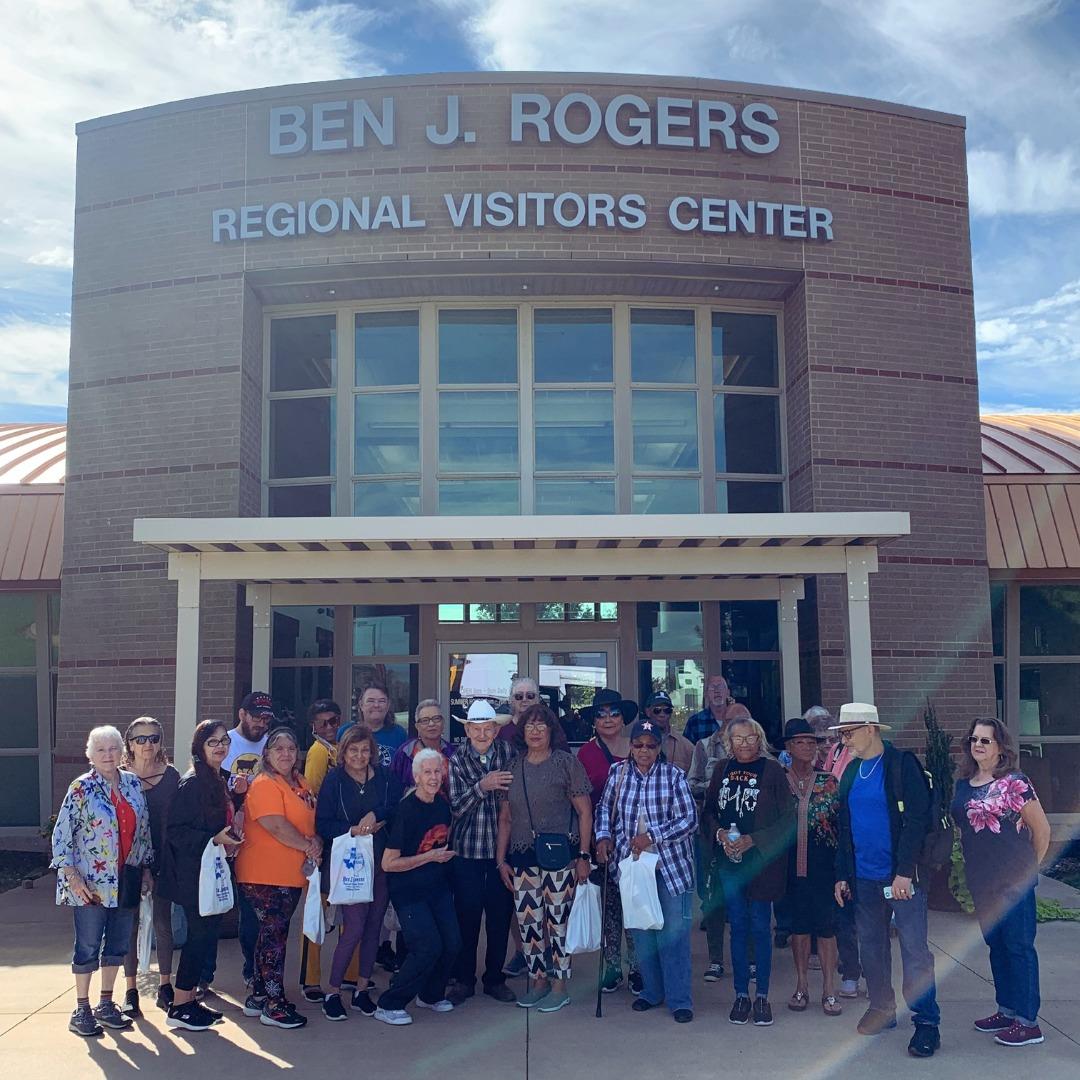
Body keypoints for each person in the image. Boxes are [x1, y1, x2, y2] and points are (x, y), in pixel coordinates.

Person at [833, 702, 942, 1058]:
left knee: (914, 951)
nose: (845, 740)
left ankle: (926, 1021)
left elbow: (916, 821)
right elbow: (843, 828)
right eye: (842, 734)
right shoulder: (850, 772)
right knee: (872, 948)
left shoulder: (900, 765)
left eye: (848, 733)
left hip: (901, 878)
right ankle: (881, 1008)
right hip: (863, 878)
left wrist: (905, 871)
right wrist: (841, 875)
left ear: (871, 729)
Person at [953, 716, 1051, 1047]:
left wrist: (1028, 871)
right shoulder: (964, 783)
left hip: (1013, 883)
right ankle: (1007, 1010)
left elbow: (1042, 830)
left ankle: (1028, 1022)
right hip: (982, 883)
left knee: (1019, 947)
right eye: (974, 739)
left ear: (1000, 747)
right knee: (997, 946)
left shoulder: (1015, 783)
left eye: (985, 740)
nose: (977, 745)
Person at [51, 725, 153, 1037]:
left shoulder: (134, 784)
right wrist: (71, 876)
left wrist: (146, 868)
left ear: (122, 751)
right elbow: (61, 835)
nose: (108, 755)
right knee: (88, 944)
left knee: (119, 943)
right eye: (100, 750)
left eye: (112, 749)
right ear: (90, 755)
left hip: (127, 878)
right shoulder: (81, 788)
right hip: (90, 883)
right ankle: (81, 1008)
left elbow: (144, 831)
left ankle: (106, 1004)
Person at [595, 718, 698, 1023]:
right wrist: (603, 836)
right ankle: (651, 992)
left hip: (669, 867)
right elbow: (604, 808)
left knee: (673, 934)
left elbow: (689, 819)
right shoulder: (618, 773)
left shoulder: (673, 776)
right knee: (642, 933)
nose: (643, 751)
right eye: (638, 745)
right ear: (631, 746)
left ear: (659, 748)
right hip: (633, 867)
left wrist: (652, 835)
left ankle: (680, 999)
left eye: (650, 746)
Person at [496, 703, 593, 1013]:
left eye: (542, 725)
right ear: (522, 732)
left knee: (558, 921)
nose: (536, 731)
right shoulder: (513, 767)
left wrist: (583, 856)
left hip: (560, 855)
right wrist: (501, 860)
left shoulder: (566, 764)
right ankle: (538, 981)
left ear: (552, 730)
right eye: (530, 725)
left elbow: (584, 811)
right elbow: (506, 819)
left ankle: (560, 985)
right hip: (523, 855)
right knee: (529, 923)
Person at [702, 716, 794, 1028]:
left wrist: (754, 839)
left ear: (759, 739)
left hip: (762, 864)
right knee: (737, 928)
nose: (744, 744)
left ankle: (762, 996)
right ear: (728, 742)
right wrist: (720, 837)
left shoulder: (773, 771)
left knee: (760, 928)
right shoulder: (722, 769)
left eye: (749, 738)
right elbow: (709, 812)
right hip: (730, 865)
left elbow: (788, 820)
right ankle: (741, 994)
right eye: (737, 738)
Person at [156, 719, 243, 1031]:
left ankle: (189, 1000)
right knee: (198, 938)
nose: (220, 746)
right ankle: (179, 1006)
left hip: (213, 870)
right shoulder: (192, 783)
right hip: (192, 875)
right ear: (199, 748)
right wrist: (214, 838)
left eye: (223, 741)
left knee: (206, 937)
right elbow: (177, 832)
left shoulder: (221, 779)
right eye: (212, 742)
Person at [235, 727, 322, 1029]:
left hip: (291, 874)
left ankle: (259, 994)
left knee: (268, 935)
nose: (285, 753)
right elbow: (276, 826)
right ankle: (274, 1004)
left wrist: (315, 841)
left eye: (290, 747)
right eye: (278, 748)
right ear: (267, 754)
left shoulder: (300, 782)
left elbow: (308, 820)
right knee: (274, 939)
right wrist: (309, 845)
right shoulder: (263, 784)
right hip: (265, 876)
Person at [315, 724, 402, 1020]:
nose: (360, 756)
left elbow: (396, 805)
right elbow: (322, 824)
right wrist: (351, 829)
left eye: (365, 750)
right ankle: (332, 991)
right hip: (350, 865)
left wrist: (377, 815)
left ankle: (362, 990)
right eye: (353, 750)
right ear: (343, 752)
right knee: (353, 928)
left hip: (380, 863)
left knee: (374, 928)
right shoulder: (334, 781)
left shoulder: (386, 779)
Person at [374, 748, 461, 1026]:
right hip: (408, 891)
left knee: (452, 943)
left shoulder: (442, 806)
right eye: (428, 772)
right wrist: (430, 857)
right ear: (416, 776)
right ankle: (389, 1003)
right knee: (427, 947)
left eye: (438, 771)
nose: (434, 777)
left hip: (437, 888)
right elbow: (389, 863)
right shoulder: (406, 810)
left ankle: (431, 995)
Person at [445, 700, 518, 1006]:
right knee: (467, 919)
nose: (483, 733)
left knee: (500, 918)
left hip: (501, 852)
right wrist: (483, 786)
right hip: (467, 852)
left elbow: (516, 797)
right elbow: (456, 807)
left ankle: (494, 979)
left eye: (488, 728)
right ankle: (465, 980)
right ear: (467, 729)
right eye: (477, 728)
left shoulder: (508, 754)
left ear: (496, 729)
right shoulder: (457, 759)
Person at [577, 687, 640, 994]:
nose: (608, 719)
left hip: (638, 838)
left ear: (623, 717)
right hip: (604, 840)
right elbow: (582, 799)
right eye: (601, 714)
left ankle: (639, 966)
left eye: (614, 713)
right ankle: (613, 966)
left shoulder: (640, 745)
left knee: (636, 905)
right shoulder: (586, 753)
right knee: (611, 907)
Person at [119, 716, 180, 1016]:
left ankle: (165, 986)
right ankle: (130, 990)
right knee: (129, 925)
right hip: (127, 862)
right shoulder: (117, 776)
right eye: (140, 739)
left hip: (164, 859)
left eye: (153, 738)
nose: (147, 745)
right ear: (129, 743)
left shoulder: (172, 777)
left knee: (162, 922)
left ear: (161, 742)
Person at [780, 718, 842, 1016]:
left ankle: (830, 989)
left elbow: (842, 826)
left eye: (811, 742)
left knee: (827, 927)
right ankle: (802, 985)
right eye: (800, 742)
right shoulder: (779, 780)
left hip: (824, 866)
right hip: (790, 866)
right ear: (788, 747)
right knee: (799, 926)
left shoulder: (828, 780)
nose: (807, 747)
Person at [687, 702, 753, 979]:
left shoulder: (760, 753)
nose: (737, 727)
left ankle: (749, 960)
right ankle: (716, 959)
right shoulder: (704, 746)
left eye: (743, 721)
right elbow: (691, 784)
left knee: (749, 897)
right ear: (723, 723)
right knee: (713, 897)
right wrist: (718, 783)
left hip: (748, 837)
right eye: (731, 722)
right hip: (712, 831)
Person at [220, 690, 275, 990]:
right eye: (256, 716)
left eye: (266, 717)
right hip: (234, 839)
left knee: (263, 910)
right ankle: (247, 968)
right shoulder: (224, 743)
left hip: (268, 836)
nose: (261, 722)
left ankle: (261, 968)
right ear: (242, 714)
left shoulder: (273, 745)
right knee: (240, 907)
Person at [806, 704, 862, 998]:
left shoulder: (860, 757)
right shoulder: (834, 756)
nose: (830, 743)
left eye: (835, 737)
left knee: (859, 913)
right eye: (824, 740)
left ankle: (861, 971)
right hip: (837, 841)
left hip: (860, 841)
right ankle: (850, 972)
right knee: (843, 910)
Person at [299, 698, 344, 1003]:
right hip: (323, 843)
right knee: (318, 909)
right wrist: (315, 844)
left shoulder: (340, 748)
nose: (329, 727)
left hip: (345, 841)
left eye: (333, 721)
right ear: (313, 725)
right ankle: (311, 977)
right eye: (322, 722)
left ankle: (349, 973)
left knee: (348, 909)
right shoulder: (317, 753)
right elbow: (312, 799)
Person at [390, 699, 456, 791]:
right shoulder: (405, 753)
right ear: (417, 726)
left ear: (443, 723)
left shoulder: (452, 754)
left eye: (436, 719)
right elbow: (393, 790)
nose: (431, 724)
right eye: (425, 720)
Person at [642, 691, 694, 773]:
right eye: (657, 710)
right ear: (648, 712)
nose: (662, 714)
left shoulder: (686, 746)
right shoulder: (637, 744)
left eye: (667, 710)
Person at [359, 683, 406, 768]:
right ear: (361, 705)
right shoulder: (347, 732)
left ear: (388, 706)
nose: (376, 705)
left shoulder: (399, 734)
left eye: (381, 701)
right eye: (370, 701)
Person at [684, 673, 739, 744]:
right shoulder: (694, 722)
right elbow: (687, 752)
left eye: (720, 687)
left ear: (728, 692)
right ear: (705, 694)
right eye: (712, 688)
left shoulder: (739, 718)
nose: (717, 691)